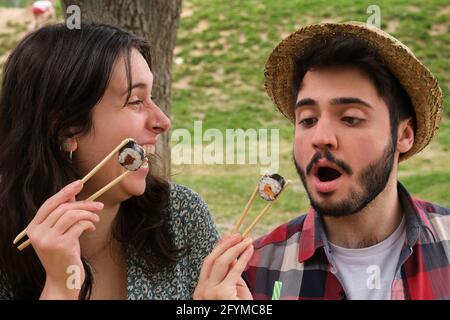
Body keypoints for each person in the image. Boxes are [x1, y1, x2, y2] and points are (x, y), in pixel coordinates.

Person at [194, 22, 449, 300]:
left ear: (404, 135)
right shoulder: (252, 275)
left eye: (350, 118)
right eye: (308, 120)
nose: (321, 137)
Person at [0, 22, 219, 300]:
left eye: (152, 97)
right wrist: (59, 288)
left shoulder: (181, 217)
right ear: (66, 128)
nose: (163, 121)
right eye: (136, 101)